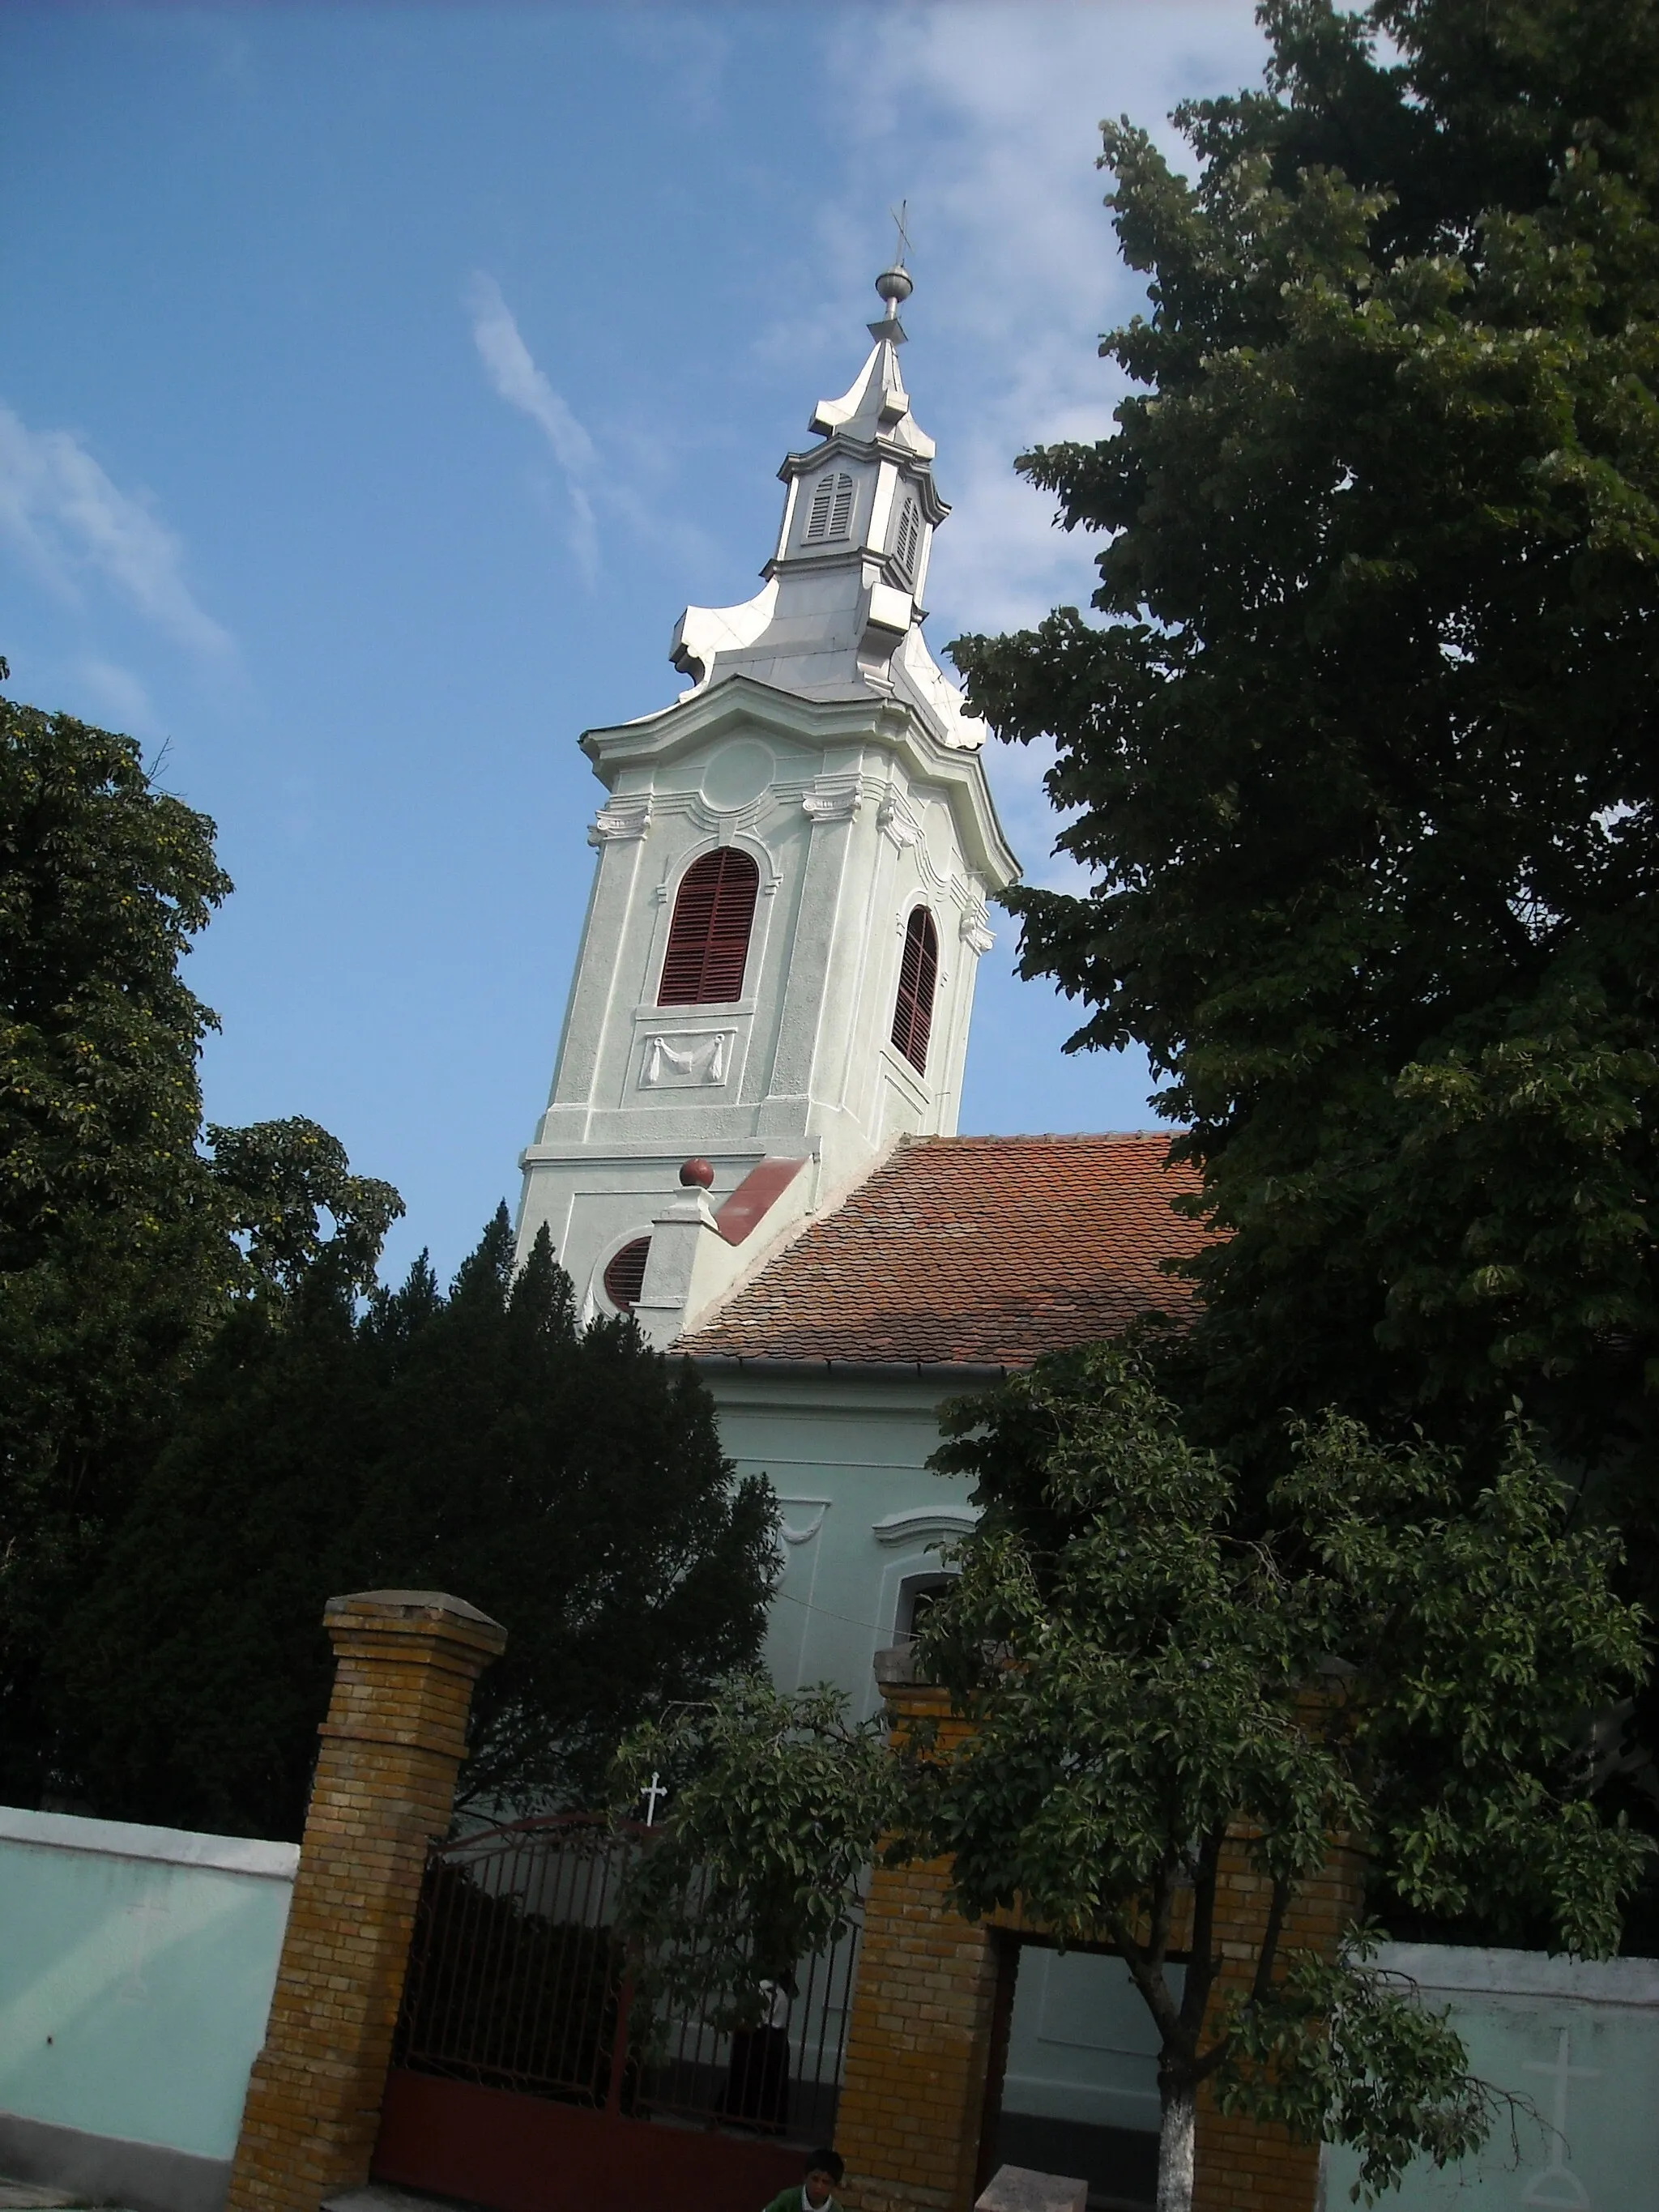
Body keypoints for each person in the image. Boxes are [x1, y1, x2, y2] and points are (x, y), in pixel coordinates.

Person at [761, 2146, 844, 2212]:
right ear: (805, 2177)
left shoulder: (836, 2210)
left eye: (825, 2182)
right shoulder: (788, 2200)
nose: (819, 2186)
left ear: (834, 2186)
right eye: (815, 2179)